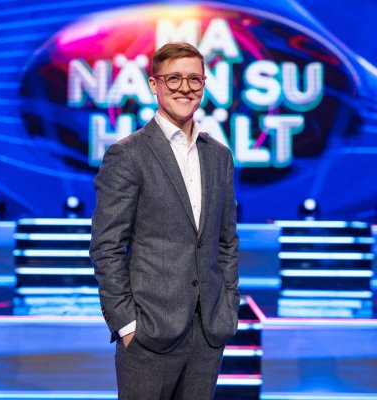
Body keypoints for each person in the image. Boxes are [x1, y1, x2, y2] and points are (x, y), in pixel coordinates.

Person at [89, 42, 239, 400]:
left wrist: (227, 307)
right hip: (149, 334)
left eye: (194, 79)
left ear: (204, 84)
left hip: (208, 333)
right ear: (154, 84)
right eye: (174, 79)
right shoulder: (128, 154)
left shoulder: (219, 156)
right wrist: (126, 323)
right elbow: (107, 247)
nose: (185, 88)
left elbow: (226, 241)